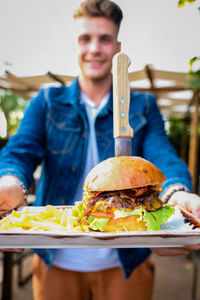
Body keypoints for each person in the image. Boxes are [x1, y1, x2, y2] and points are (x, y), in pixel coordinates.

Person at [0, 0, 200, 299]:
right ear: (75, 45)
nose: (94, 48)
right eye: (85, 38)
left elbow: (163, 156)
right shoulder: (47, 101)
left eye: (104, 39)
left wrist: (177, 195)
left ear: (117, 46)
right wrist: (9, 182)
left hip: (127, 261)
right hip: (56, 257)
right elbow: (20, 151)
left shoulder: (143, 106)